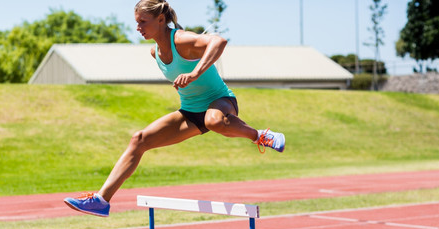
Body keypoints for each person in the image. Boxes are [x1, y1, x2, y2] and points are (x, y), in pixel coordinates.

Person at [64, 0, 285, 217]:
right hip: (190, 111)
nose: (138, 27)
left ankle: (260, 136)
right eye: (136, 22)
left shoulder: (181, 40)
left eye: (143, 21)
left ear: (161, 19)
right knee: (139, 139)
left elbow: (219, 41)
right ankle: (101, 201)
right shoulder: (155, 53)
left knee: (213, 120)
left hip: (220, 100)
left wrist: (194, 73)